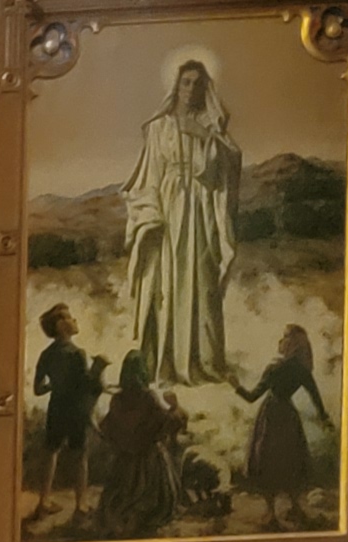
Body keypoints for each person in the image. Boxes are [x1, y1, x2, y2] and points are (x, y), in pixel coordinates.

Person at [123, 56, 240, 387]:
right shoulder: (159, 128)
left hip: (202, 214)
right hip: (169, 214)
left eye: (197, 84)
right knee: (168, 286)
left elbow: (230, 163)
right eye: (185, 83)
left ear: (206, 89)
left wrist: (204, 136)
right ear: (176, 87)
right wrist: (151, 216)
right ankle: (168, 365)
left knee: (203, 285)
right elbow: (148, 177)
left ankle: (205, 362)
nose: (191, 89)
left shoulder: (212, 129)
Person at [235, 324, 333, 529]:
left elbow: (252, 397)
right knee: (291, 459)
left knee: (268, 460)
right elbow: (316, 399)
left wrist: (235, 385)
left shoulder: (275, 368)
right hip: (288, 416)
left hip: (270, 416)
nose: (281, 341)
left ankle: (271, 513)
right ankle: (295, 507)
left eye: (285, 337)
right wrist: (325, 419)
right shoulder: (302, 371)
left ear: (291, 344)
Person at [92, 350, 186, 540]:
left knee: (119, 496)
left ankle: (124, 517)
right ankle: (137, 515)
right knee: (158, 461)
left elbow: (108, 428)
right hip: (148, 460)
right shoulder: (148, 397)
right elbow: (164, 422)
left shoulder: (117, 399)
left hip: (124, 460)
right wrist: (175, 409)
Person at [26, 305, 102, 531]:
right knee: (80, 456)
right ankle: (81, 505)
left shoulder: (47, 354)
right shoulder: (77, 353)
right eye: (70, 318)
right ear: (61, 326)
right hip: (75, 410)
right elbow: (85, 386)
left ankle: (43, 502)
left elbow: (38, 389)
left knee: (51, 452)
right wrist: (98, 373)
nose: (74, 320)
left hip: (56, 408)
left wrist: (55, 385)